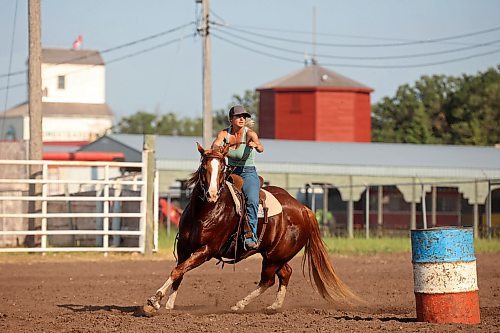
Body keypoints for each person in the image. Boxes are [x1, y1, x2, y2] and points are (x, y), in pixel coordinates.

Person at [212, 105, 264, 250]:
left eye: (244, 117)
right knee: (214, 195)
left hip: (248, 172)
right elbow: (215, 144)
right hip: (230, 172)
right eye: (238, 116)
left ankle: (251, 236)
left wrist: (255, 145)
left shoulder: (250, 134)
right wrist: (218, 147)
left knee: (252, 200)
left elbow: (261, 147)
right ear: (231, 119)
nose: (242, 119)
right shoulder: (224, 134)